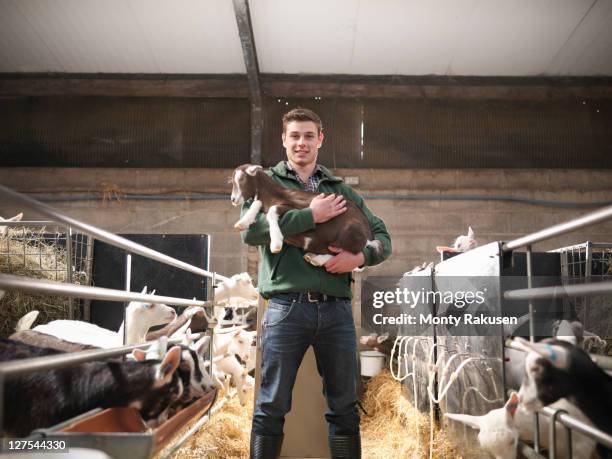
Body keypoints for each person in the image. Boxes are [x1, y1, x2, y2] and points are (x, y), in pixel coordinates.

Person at [240, 107, 391, 459]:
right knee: (271, 406)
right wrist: (311, 216)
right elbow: (252, 233)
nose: (301, 143)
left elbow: (382, 236)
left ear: (320, 139)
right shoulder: (266, 184)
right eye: (294, 136)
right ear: (283, 140)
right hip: (285, 308)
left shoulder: (340, 190)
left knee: (344, 407)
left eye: (309, 136)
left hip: (336, 309)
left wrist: (360, 258)